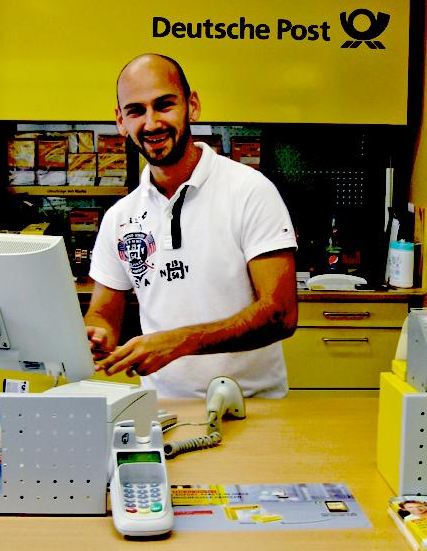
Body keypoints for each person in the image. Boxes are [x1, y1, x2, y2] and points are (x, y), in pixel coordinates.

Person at [85, 53, 298, 399]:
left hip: (255, 409)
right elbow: (103, 313)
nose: (152, 123)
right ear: (120, 121)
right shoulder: (120, 217)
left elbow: (281, 314)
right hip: (163, 410)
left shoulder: (249, 191)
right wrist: (96, 334)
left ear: (192, 105)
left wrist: (180, 342)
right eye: (136, 111)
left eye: (164, 105)